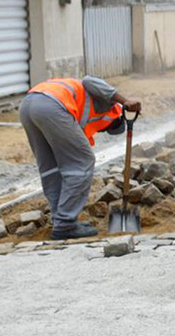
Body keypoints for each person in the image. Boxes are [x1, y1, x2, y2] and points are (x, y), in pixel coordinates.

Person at [19, 76, 141, 240]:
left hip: (29, 104)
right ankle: (65, 224)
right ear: (116, 118)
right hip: (53, 106)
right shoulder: (109, 104)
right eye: (109, 128)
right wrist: (125, 100)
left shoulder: (83, 110)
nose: (103, 130)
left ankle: (61, 221)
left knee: (51, 167)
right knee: (82, 162)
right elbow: (89, 80)